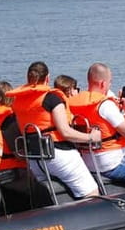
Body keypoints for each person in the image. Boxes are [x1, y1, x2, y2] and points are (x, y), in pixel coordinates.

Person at [6, 61, 101, 198]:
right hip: (58, 155)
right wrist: (91, 137)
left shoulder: (18, 101)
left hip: (35, 160)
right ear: (48, 78)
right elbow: (65, 132)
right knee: (91, 192)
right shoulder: (52, 98)